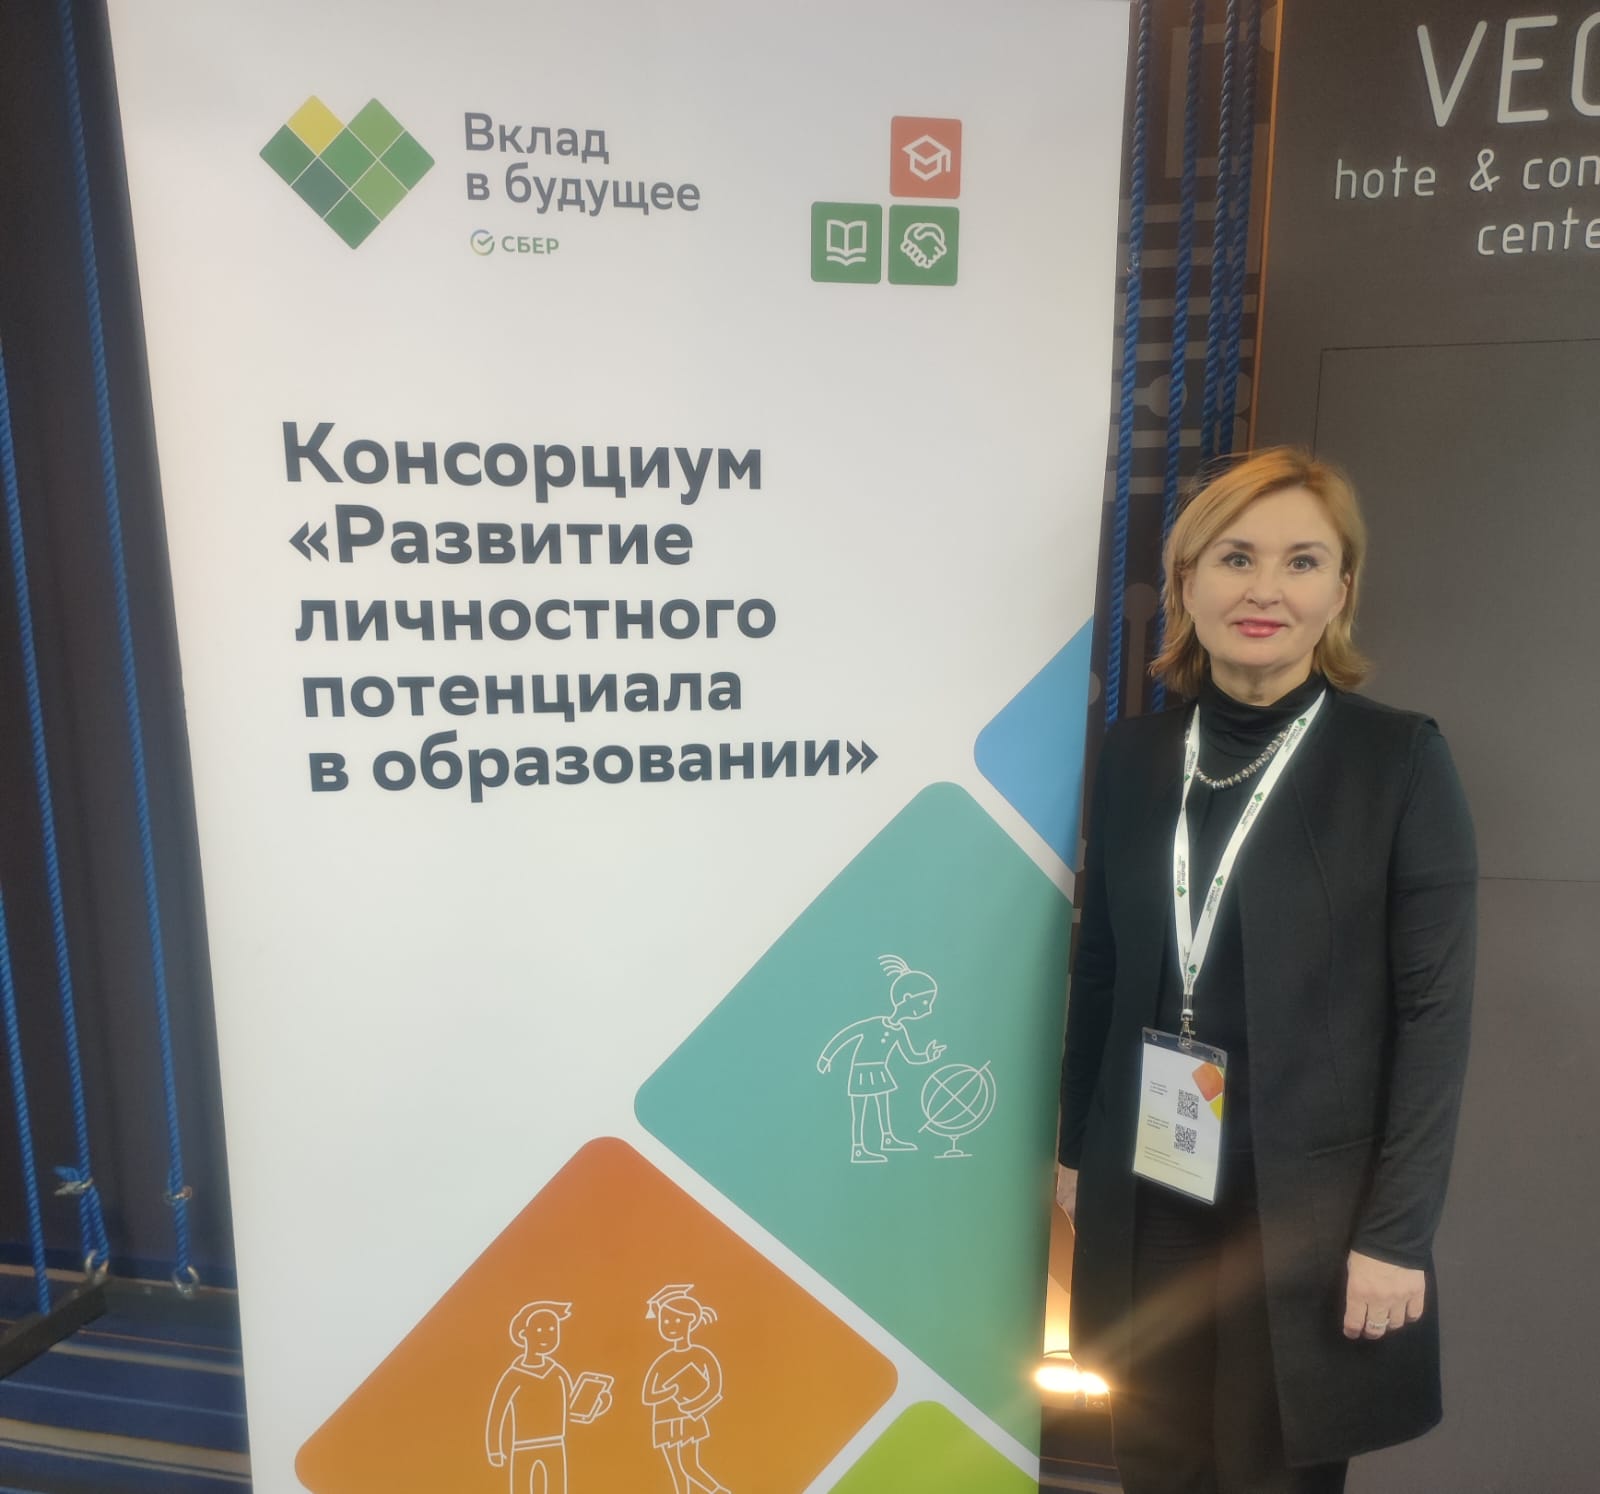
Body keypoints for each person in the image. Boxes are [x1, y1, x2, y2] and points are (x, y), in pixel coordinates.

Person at [1057, 449, 1476, 1493]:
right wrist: (1074, 1149)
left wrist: (1396, 1233)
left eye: (1302, 562)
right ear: (1187, 579)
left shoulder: (1397, 761)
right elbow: (1101, 968)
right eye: (1236, 557)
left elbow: (1434, 1018)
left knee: (1268, 1474)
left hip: (1305, 1213)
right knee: (1154, 1458)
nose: (1264, 590)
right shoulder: (1135, 757)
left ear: (1340, 590)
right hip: (1152, 1178)